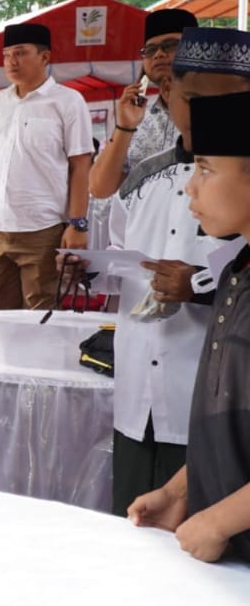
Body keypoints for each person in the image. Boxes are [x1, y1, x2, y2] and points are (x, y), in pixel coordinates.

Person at [128, 87, 250, 564]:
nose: (189, 187)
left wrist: (221, 520)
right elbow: (226, 416)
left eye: (206, 168)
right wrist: (180, 490)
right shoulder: (237, 268)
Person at [0, 22, 94, 310]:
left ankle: (41, 357)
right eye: (7, 55)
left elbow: (81, 165)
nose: (11, 62)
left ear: (45, 57)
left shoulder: (67, 102)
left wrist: (77, 224)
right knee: (0, 312)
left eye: (20, 53)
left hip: (42, 229)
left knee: (40, 314)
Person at [88, 9, 197, 199]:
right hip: (144, 226)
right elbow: (99, 188)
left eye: (170, 45)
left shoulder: (222, 108)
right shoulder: (137, 114)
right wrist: (125, 127)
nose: (159, 54)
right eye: (150, 50)